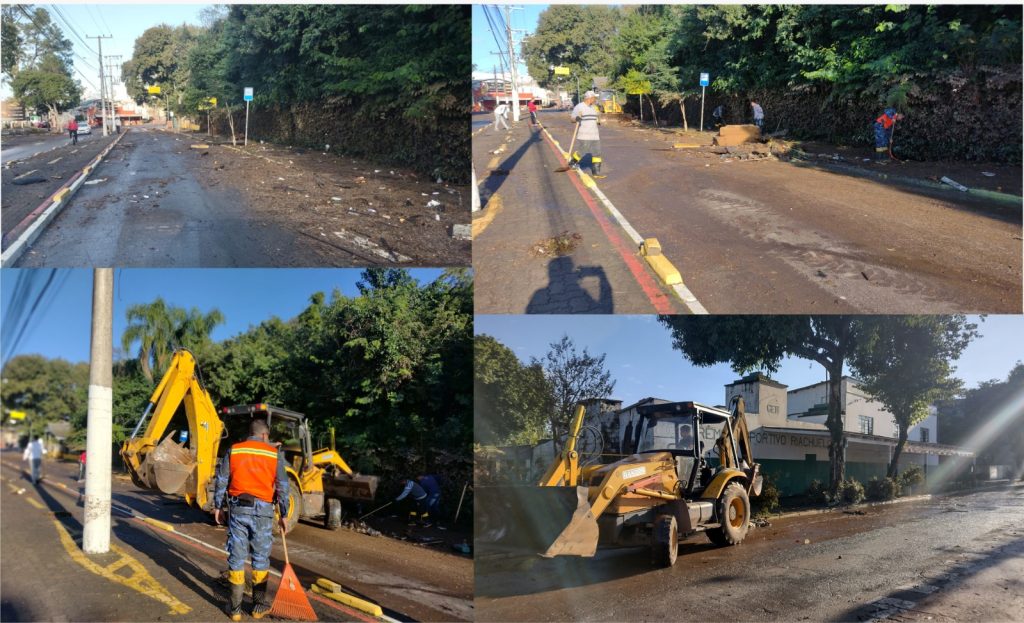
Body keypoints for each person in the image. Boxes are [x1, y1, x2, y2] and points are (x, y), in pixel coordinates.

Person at [213, 420, 289, 621]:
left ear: (251, 433)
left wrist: (218, 506)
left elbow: (221, 479)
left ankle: (235, 610)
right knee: (261, 559)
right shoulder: (274, 454)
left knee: (237, 557)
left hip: (238, 510)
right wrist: (284, 514)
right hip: (264, 512)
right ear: (265, 435)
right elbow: (282, 486)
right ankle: (257, 607)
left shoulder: (235, 450)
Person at [570, 90, 604, 178]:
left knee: (597, 153)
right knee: (582, 151)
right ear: (589, 98)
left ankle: (596, 173)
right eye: (594, 98)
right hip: (584, 134)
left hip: (595, 135)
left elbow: (597, 118)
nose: (595, 100)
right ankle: (572, 163)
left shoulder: (594, 107)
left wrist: (599, 120)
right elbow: (572, 119)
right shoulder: (579, 107)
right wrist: (576, 118)